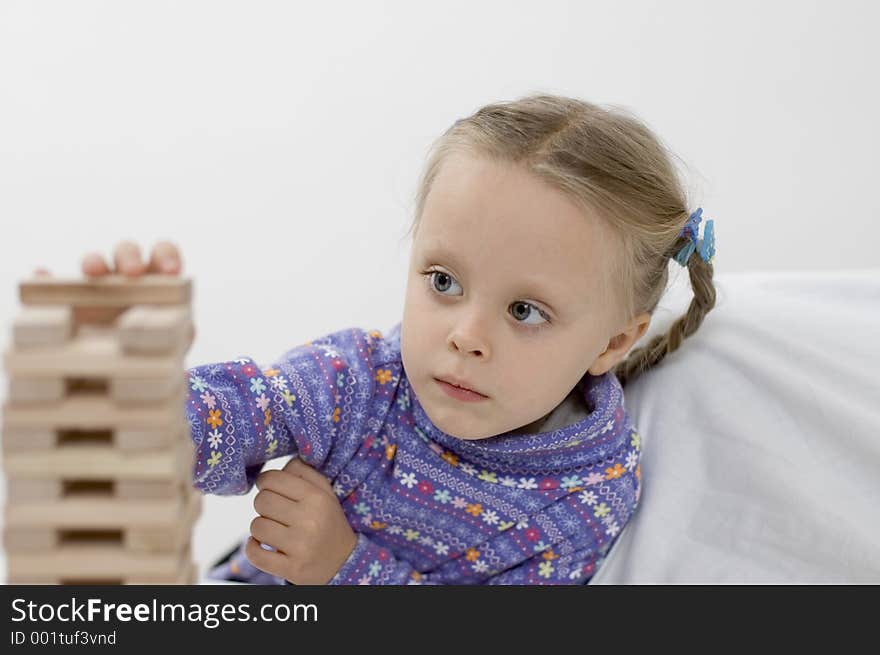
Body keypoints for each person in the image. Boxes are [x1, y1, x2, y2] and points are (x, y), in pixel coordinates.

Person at [50, 93, 717, 584]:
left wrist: (345, 568)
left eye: (523, 310)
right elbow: (254, 407)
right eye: (444, 281)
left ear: (612, 342)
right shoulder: (360, 380)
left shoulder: (581, 497)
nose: (465, 335)